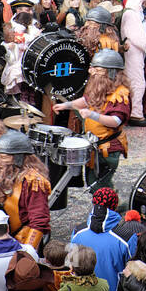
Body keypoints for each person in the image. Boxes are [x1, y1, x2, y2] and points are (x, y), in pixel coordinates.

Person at [54, 49, 129, 189]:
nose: (91, 72)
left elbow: (116, 121)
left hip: (108, 148)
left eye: (97, 70)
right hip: (95, 146)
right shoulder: (100, 87)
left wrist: (91, 115)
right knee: (92, 183)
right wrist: (66, 105)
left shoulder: (120, 94)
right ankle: (105, 207)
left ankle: (111, 209)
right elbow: (86, 100)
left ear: (111, 73)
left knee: (100, 186)